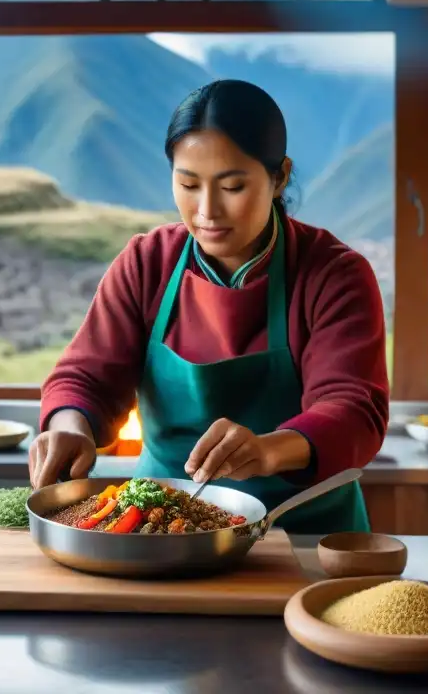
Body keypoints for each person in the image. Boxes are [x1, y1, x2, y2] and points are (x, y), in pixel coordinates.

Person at [28, 79, 389, 533]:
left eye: (232, 186)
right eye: (188, 184)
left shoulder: (334, 274)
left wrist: (267, 450)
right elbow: (85, 377)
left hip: (304, 533)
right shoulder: (147, 263)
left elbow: (354, 410)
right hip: (158, 529)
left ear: (278, 177)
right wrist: (70, 426)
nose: (207, 211)